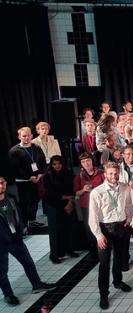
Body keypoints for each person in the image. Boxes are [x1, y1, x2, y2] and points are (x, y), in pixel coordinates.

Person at [0, 176, 57, 306]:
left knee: (28, 262)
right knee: (2, 271)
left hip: (16, 238)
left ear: (6, 183)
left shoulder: (11, 198)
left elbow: (18, 215)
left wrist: (21, 230)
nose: (0, 186)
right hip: (1, 243)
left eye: (2, 182)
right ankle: (8, 295)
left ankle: (37, 285)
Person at [88, 162, 133, 309]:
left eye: (116, 173)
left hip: (121, 226)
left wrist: (129, 217)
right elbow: (92, 217)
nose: (114, 176)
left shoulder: (125, 188)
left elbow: (129, 205)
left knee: (119, 257)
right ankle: (103, 294)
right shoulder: (97, 192)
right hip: (105, 229)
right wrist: (99, 236)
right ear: (105, 174)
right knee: (105, 263)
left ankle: (118, 281)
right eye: (111, 173)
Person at [8, 127, 48, 231]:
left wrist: (41, 174)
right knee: (25, 203)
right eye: (23, 136)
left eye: (28, 135)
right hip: (24, 182)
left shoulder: (36, 147)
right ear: (19, 137)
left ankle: (32, 220)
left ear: (31, 135)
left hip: (37, 179)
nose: (26, 138)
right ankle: (24, 225)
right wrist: (28, 177)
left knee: (35, 200)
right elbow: (14, 168)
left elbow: (43, 162)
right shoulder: (14, 151)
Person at [42, 156, 78, 264]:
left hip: (67, 204)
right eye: (54, 164)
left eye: (59, 164)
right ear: (51, 165)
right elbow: (50, 194)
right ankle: (55, 254)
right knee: (55, 231)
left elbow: (73, 189)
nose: (57, 166)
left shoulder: (68, 174)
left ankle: (69, 250)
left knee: (69, 228)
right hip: (53, 206)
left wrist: (70, 202)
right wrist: (67, 198)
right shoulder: (47, 177)